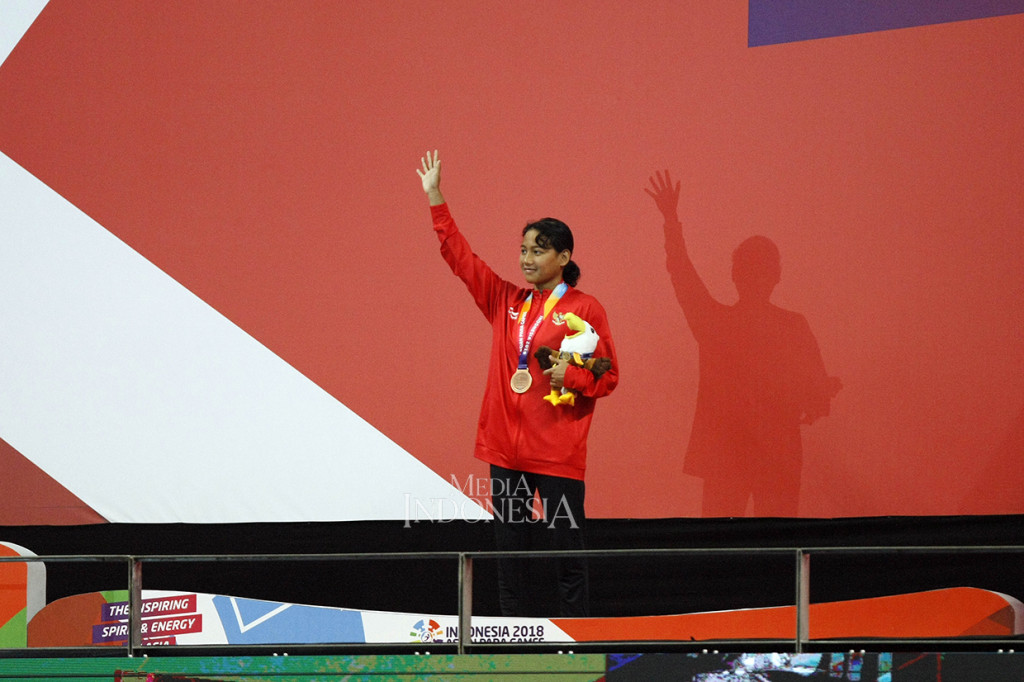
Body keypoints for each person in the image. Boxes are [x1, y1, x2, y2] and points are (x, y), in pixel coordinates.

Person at [417, 151, 618, 616]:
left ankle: (575, 641)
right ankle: (515, 639)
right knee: (510, 552)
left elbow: (609, 376)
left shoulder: (585, 310)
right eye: (524, 249)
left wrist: (568, 374)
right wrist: (436, 199)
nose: (527, 258)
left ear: (564, 258)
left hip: (557, 454)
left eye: (539, 250)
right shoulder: (506, 302)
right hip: (505, 452)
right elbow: (463, 260)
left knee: (566, 550)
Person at [646, 170, 840, 517]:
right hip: (771, 457)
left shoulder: (717, 324)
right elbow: (815, 396)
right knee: (774, 551)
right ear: (777, 275)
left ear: (735, 274)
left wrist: (672, 222)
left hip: (733, 457)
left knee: (723, 552)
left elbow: (682, 274)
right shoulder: (791, 327)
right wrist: (821, 392)